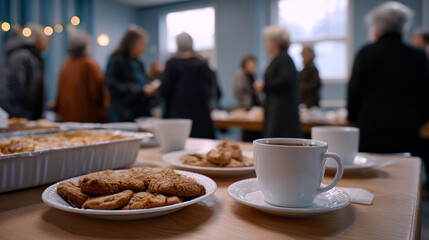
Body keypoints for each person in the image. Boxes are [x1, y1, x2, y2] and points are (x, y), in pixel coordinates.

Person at [347, 2, 429, 157]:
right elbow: (424, 95)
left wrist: (352, 117)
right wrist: (422, 119)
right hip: (406, 133)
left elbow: (354, 92)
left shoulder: (366, 53)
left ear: (377, 27)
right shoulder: (417, 56)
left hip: (371, 132)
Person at [160, 32, 215, 139]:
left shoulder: (172, 64)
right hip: (201, 117)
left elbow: (165, 91)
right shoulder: (202, 64)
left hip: (178, 116)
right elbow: (210, 90)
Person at [254, 26, 302, 138]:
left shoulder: (284, 59)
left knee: (278, 141)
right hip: (276, 109)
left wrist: (264, 86)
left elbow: (285, 81)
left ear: (275, 43)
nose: (265, 44)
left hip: (281, 112)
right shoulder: (278, 59)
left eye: (267, 41)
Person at [105, 25, 156, 122]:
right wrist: (140, 91)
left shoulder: (139, 63)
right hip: (123, 114)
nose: (144, 47)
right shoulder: (116, 61)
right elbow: (113, 86)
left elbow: (144, 83)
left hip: (141, 113)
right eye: (141, 44)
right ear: (132, 43)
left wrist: (150, 90)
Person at [56, 31, 109, 123]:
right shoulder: (89, 65)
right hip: (88, 117)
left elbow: (59, 92)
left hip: (67, 116)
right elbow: (98, 93)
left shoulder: (66, 64)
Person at [1, 23, 48, 120]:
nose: (47, 43)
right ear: (36, 38)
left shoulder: (31, 56)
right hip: (21, 118)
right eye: (45, 38)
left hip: (28, 117)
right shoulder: (21, 57)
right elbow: (13, 89)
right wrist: (19, 117)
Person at [234, 55, 261, 142]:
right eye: (250, 64)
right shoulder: (240, 75)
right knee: (247, 132)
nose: (253, 66)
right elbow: (238, 92)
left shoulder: (253, 75)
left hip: (255, 106)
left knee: (256, 132)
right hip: (245, 106)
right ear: (245, 64)